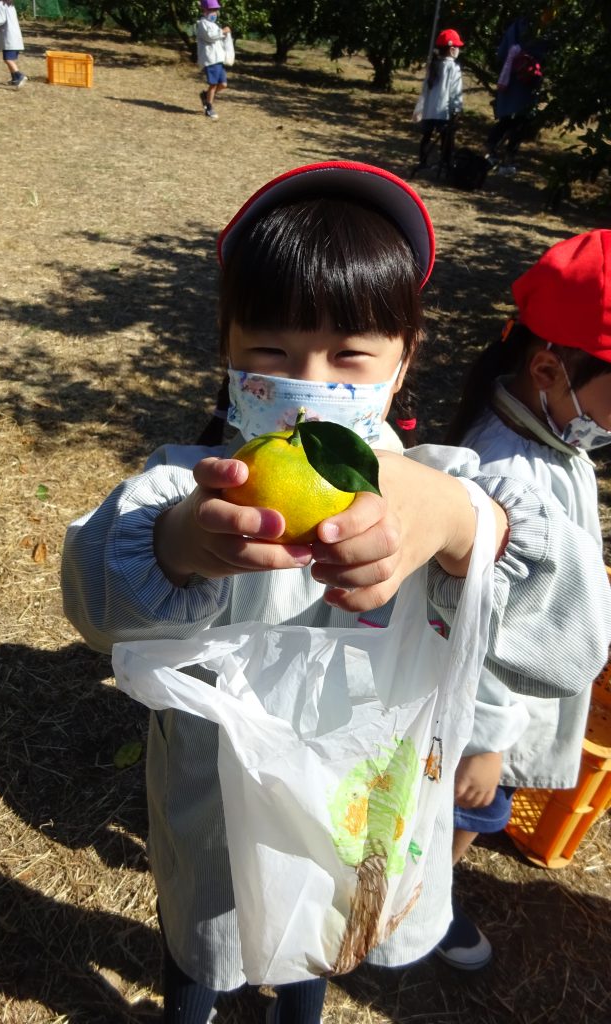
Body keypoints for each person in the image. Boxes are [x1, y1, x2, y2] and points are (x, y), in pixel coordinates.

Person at [61, 161, 611, 1023]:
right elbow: (94, 599)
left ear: (403, 362)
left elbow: (573, 644)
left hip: (358, 818)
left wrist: (466, 525)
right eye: (272, 352)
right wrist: (181, 547)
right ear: (229, 353)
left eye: (351, 355)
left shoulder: (445, 486)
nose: (310, 382)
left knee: (316, 944)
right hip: (213, 819)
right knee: (206, 946)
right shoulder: (192, 485)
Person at [435, 229, 611, 970]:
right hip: (486, 712)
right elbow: (476, 623)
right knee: (473, 803)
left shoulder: (545, 433)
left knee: (475, 803)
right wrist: (487, 739)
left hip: (511, 698)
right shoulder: (505, 471)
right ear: (548, 367)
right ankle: (417, 899)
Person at [485, 17, 544, 175]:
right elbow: (546, 54)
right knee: (520, 122)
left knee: (506, 119)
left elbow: (501, 53)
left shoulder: (514, 27)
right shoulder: (539, 29)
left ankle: (492, 149)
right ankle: (508, 158)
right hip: (526, 84)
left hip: (508, 80)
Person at [414, 29, 464, 174]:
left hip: (430, 110)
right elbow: (456, 91)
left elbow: (425, 89)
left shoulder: (433, 65)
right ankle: (446, 164)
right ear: (452, 49)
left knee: (426, 137)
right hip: (444, 111)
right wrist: (457, 108)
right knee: (447, 139)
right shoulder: (453, 68)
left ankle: (423, 162)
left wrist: (420, 109)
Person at [195, 0, 231, 121]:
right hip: (211, 59)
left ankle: (205, 96)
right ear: (204, 10)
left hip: (218, 59)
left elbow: (217, 38)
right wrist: (223, 32)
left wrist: (224, 35)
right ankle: (209, 108)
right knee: (213, 84)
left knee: (223, 84)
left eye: (215, 10)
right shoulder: (202, 24)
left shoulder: (214, 24)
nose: (214, 13)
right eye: (211, 10)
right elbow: (210, 37)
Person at [0, 0, 27, 88]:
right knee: (9, 59)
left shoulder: (0, 4)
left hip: (9, 36)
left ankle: (19, 76)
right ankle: (14, 79)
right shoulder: (9, 4)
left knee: (8, 59)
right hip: (15, 36)